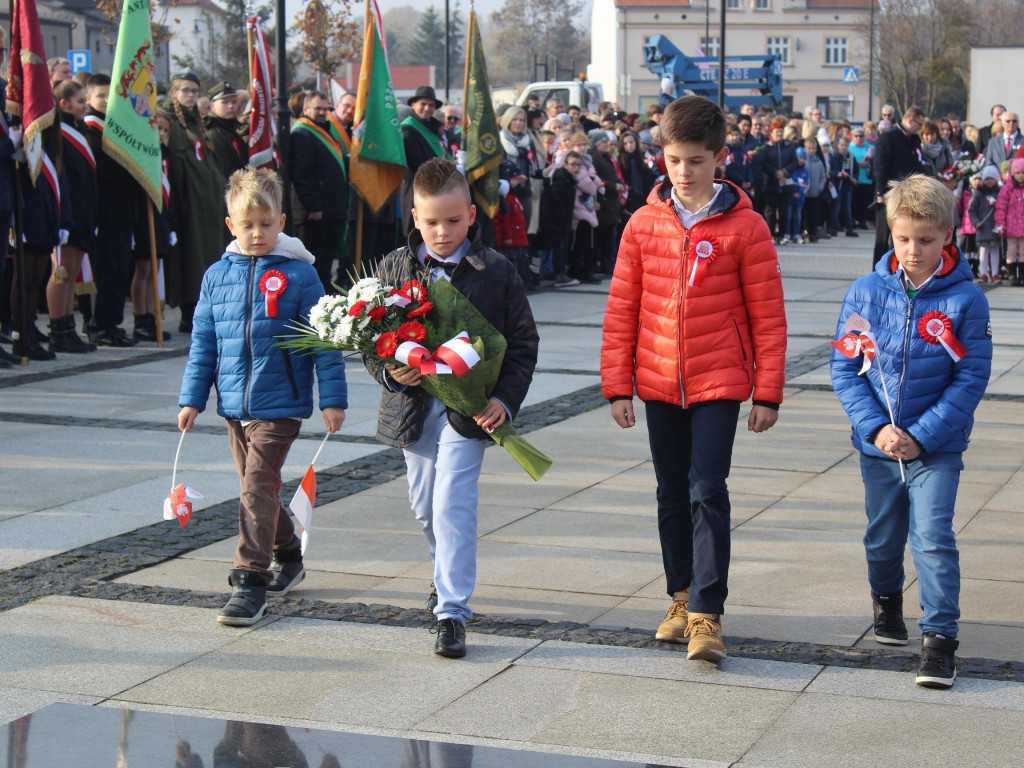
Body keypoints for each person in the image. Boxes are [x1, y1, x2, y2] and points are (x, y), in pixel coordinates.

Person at [601, 96, 787, 662]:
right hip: (658, 379)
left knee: (708, 490)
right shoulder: (642, 223)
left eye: (697, 161)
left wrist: (768, 390)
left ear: (720, 158)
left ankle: (708, 613)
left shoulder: (746, 226)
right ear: (663, 156)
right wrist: (617, 383)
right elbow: (622, 306)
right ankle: (679, 596)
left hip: (720, 379)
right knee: (670, 495)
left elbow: (768, 313)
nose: (685, 172)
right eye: (676, 160)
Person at [366, 158, 538, 657]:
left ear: (471, 215)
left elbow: (523, 342)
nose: (443, 232)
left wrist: (505, 399)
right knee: (425, 505)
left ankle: (452, 611)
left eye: (454, 220)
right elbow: (370, 339)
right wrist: (389, 370)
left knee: (452, 504)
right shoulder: (395, 266)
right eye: (432, 221)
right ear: (415, 217)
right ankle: (445, 576)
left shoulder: (497, 270)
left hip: (469, 410)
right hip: (414, 408)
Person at [830, 174, 991, 689]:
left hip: (935, 447)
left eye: (925, 239)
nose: (913, 250)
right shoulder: (866, 290)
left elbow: (970, 376)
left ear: (947, 235)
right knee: (882, 538)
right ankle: (886, 601)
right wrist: (876, 428)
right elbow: (844, 370)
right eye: (903, 239)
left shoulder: (967, 300)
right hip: (878, 446)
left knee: (933, 538)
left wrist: (921, 435)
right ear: (891, 234)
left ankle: (940, 641)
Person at [177, 167, 348, 626]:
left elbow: (324, 341)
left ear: (282, 222)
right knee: (261, 491)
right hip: (234, 405)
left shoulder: (301, 276)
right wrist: (192, 399)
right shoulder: (217, 276)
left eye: (266, 224)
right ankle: (289, 555)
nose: (258, 233)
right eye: (247, 224)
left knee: (255, 489)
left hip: (282, 404)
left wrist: (333, 398)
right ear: (230, 224)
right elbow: (204, 343)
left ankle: (250, 581)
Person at [162, 71, 228, 333]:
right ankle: (189, 313)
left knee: (207, 257)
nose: (190, 95)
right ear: (174, 92)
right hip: (187, 205)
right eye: (185, 90)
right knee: (189, 259)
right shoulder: (170, 123)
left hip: (207, 206)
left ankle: (205, 309)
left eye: (194, 91)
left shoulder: (196, 123)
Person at [81, 74, 142, 347]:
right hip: (103, 214)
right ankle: (99, 326)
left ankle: (113, 324)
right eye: (101, 96)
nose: (106, 101)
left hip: (122, 212)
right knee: (105, 271)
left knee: (118, 270)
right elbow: (102, 173)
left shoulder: (116, 127)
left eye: (110, 96)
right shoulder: (90, 131)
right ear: (88, 99)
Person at [47, 80, 97, 354]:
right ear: (64, 103)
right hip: (68, 210)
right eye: (80, 101)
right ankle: (57, 328)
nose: (85, 105)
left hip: (83, 211)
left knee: (73, 272)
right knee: (61, 272)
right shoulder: (58, 130)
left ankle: (69, 328)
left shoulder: (79, 129)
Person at [290, 90, 350, 294]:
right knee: (314, 260)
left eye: (325, 109)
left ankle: (322, 294)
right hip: (315, 213)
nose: (322, 112)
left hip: (330, 209)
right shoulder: (302, 133)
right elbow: (302, 173)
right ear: (306, 109)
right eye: (317, 108)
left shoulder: (322, 130)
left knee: (325, 261)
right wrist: (313, 206)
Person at [130, 110, 177, 342]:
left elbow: (170, 192)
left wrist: (172, 226)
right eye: (158, 128)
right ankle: (141, 318)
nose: (161, 133)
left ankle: (152, 318)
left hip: (161, 218)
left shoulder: (165, 154)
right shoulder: (142, 154)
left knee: (155, 269)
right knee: (144, 269)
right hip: (143, 218)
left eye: (165, 130)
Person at [873, 106, 927, 264]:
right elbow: (880, 166)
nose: (920, 128)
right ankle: (879, 271)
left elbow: (916, 163)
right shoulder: (889, 137)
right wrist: (881, 192)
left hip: (907, 194)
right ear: (910, 120)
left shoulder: (913, 139)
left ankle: (896, 268)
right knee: (883, 238)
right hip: (887, 194)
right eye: (919, 124)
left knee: (900, 236)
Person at [401, 86, 448, 234]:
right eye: (423, 104)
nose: (427, 108)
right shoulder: (408, 129)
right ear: (413, 105)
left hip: (435, 190)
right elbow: (418, 163)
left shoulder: (431, 128)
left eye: (431, 105)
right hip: (417, 191)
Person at [204, 80, 249, 182]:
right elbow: (223, 170)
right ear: (212, 106)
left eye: (234, 102)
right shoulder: (213, 132)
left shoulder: (231, 130)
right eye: (225, 102)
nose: (231, 106)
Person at [762, 116, 797, 244]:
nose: (779, 134)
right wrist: (775, 173)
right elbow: (764, 163)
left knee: (784, 210)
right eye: (776, 132)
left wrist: (784, 172)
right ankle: (770, 235)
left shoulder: (789, 146)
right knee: (770, 211)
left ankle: (781, 235)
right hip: (770, 183)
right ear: (771, 134)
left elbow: (795, 162)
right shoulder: (767, 147)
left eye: (781, 132)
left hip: (785, 184)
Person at [995, 157, 1024, 285]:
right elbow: (1001, 208)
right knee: (1011, 251)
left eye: (1023, 173)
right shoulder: (1007, 189)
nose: (1021, 176)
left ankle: (1022, 275)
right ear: (1013, 173)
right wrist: (1000, 224)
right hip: (1011, 227)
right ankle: (1012, 275)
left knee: (1023, 251)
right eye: (1018, 173)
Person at [787, 146, 808, 244]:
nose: (801, 160)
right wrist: (792, 193)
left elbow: (805, 184)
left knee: (797, 217)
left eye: (803, 158)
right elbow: (789, 182)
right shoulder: (791, 170)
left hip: (800, 198)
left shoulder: (805, 171)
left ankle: (796, 233)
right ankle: (787, 233)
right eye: (799, 158)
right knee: (789, 216)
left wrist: (799, 193)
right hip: (790, 197)